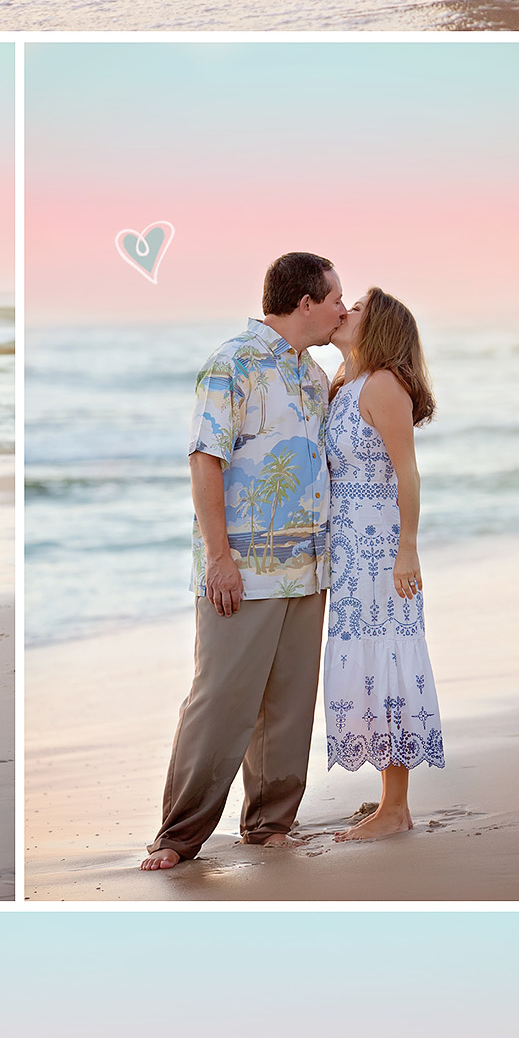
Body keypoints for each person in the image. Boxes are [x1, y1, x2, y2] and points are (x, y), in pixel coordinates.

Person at [141, 253, 345, 871]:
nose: (343, 306)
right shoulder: (232, 364)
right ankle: (178, 836)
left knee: (288, 701)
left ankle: (269, 823)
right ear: (305, 302)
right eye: (336, 296)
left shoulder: (314, 376)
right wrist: (220, 559)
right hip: (244, 567)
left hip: (308, 565)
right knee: (223, 699)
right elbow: (206, 459)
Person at [321, 287, 444, 839]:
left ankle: (396, 808)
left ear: (379, 329)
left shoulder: (385, 385)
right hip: (348, 550)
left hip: (380, 550)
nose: (344, 312)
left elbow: (407, 473)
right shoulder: (344, 384)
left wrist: (407, 549)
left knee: (387, 657)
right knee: (364, 660)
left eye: (358, 309)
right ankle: (386, 798)